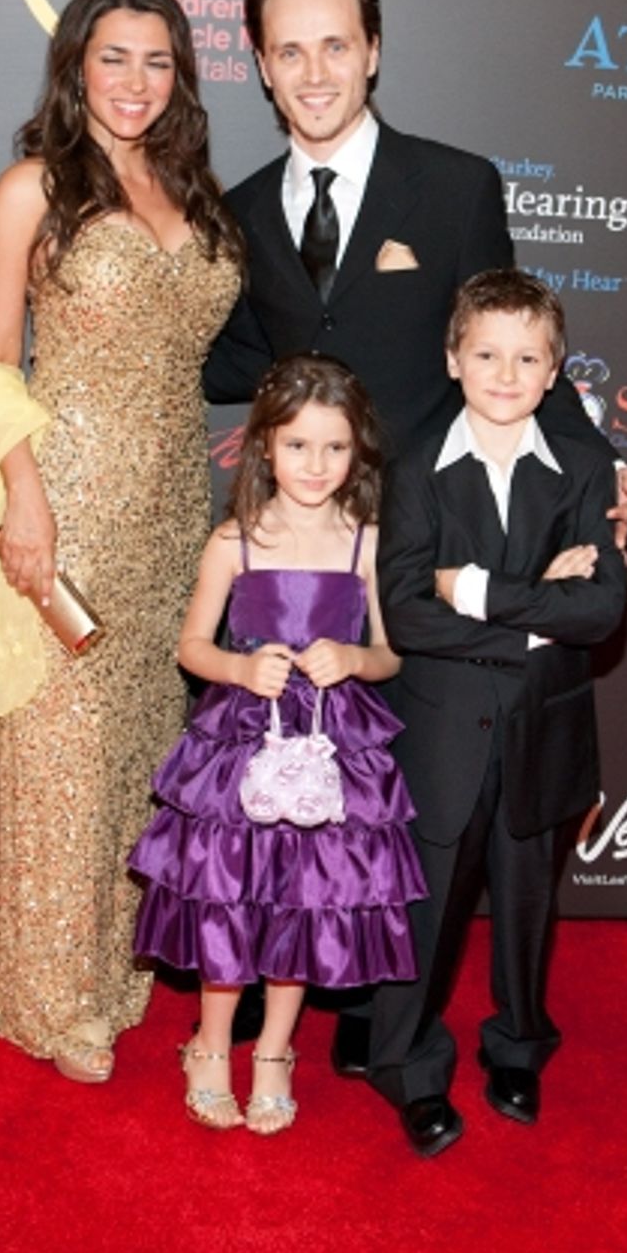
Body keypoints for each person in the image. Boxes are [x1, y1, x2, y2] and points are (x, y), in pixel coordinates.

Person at [202, 0, 627, 1067]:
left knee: (416, 783)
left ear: (374, 50)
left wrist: (596, 483)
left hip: (434, 537)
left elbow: (513, 348)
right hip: (309, 540)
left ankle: (377, 1011)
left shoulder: (454, 186)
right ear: (257, 61)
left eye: (335, 44)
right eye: (289, 49)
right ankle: (324, 987)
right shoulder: (242, 211)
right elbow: (234, 358)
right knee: (308, 761)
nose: (314, 70)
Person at [0, 0, 242, 1084]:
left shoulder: (194, 194)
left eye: (157, 60)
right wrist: (25, 503)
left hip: (171, 512)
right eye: (113, 57)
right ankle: (46, 998)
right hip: (71, 501)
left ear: (179, 75)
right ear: (75, 66)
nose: (135, 81)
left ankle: (108, 968)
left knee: (142, 754)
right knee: (66, 759)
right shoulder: (31, 190)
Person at [129, 355, 426, 1134]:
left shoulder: (367, 543)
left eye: (334, 448)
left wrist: (356, 659)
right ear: (264, 445)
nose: (316, 465)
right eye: (298, 445)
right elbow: (191, 645)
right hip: (240, 743)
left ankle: (275, 1052)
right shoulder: (235, 541)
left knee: (306, 902)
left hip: (334, 749)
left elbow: (393, 652)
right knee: (228, 902)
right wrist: (235, 664)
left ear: (357, 452)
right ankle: (211, 1043)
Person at [369, 270, 627, 1156]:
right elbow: (405, 613)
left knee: (527, 905)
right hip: (439, 730)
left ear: (554, 372)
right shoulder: (413, 466)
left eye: (527, 358)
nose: (506, 374)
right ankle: (406, 1063)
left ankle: (519, 1045)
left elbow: (599, 610)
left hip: (542, 725)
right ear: (453, 359)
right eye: (486, 354)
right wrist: (530, 610)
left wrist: (474, 589)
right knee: (424, 912)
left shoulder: (586, 466)